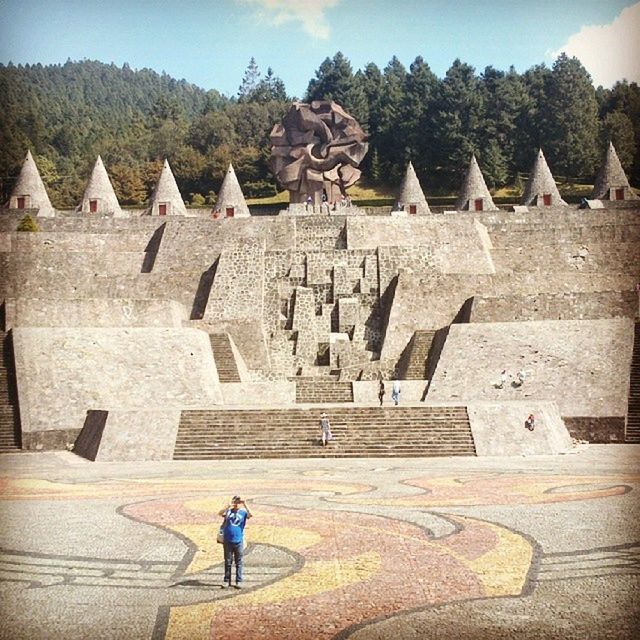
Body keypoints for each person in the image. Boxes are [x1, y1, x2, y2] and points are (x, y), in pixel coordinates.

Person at [218, 495, 252, 589]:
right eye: (235, 501)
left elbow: (251, 515)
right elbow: (220, 513)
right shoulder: (228, 511)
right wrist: (228, 505)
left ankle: (239, 580)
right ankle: (226, 580)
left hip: (238, 540)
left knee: (239, 561)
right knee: (228, 561)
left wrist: (245, 504)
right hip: (227, 540)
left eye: (238, 502)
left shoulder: (243, 512)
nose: (236, 504)